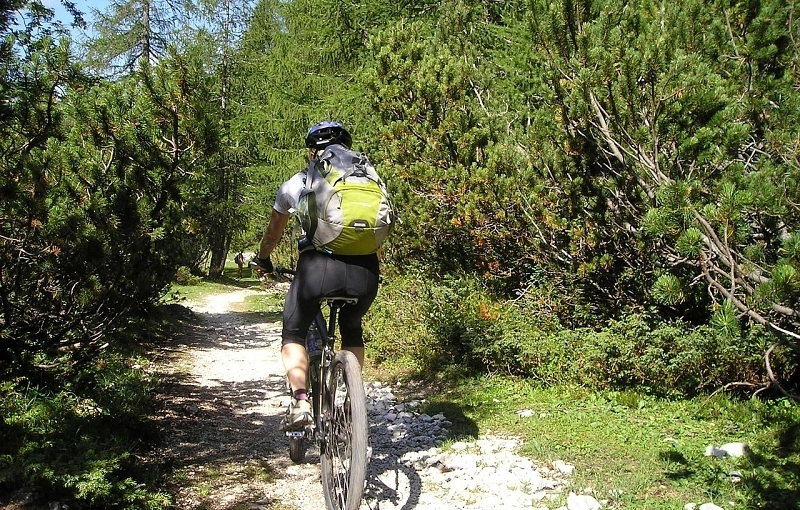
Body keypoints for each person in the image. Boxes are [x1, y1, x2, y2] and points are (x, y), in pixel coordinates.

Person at [253, 121, 380, 430]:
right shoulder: (367, 179)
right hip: (365, 273)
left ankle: (300, 403)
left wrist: (264, 259)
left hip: (317, 271)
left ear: (312, 152)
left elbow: (273, 234)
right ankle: (351, 400)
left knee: (293, 333)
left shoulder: (297, 182)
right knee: (352, 327)